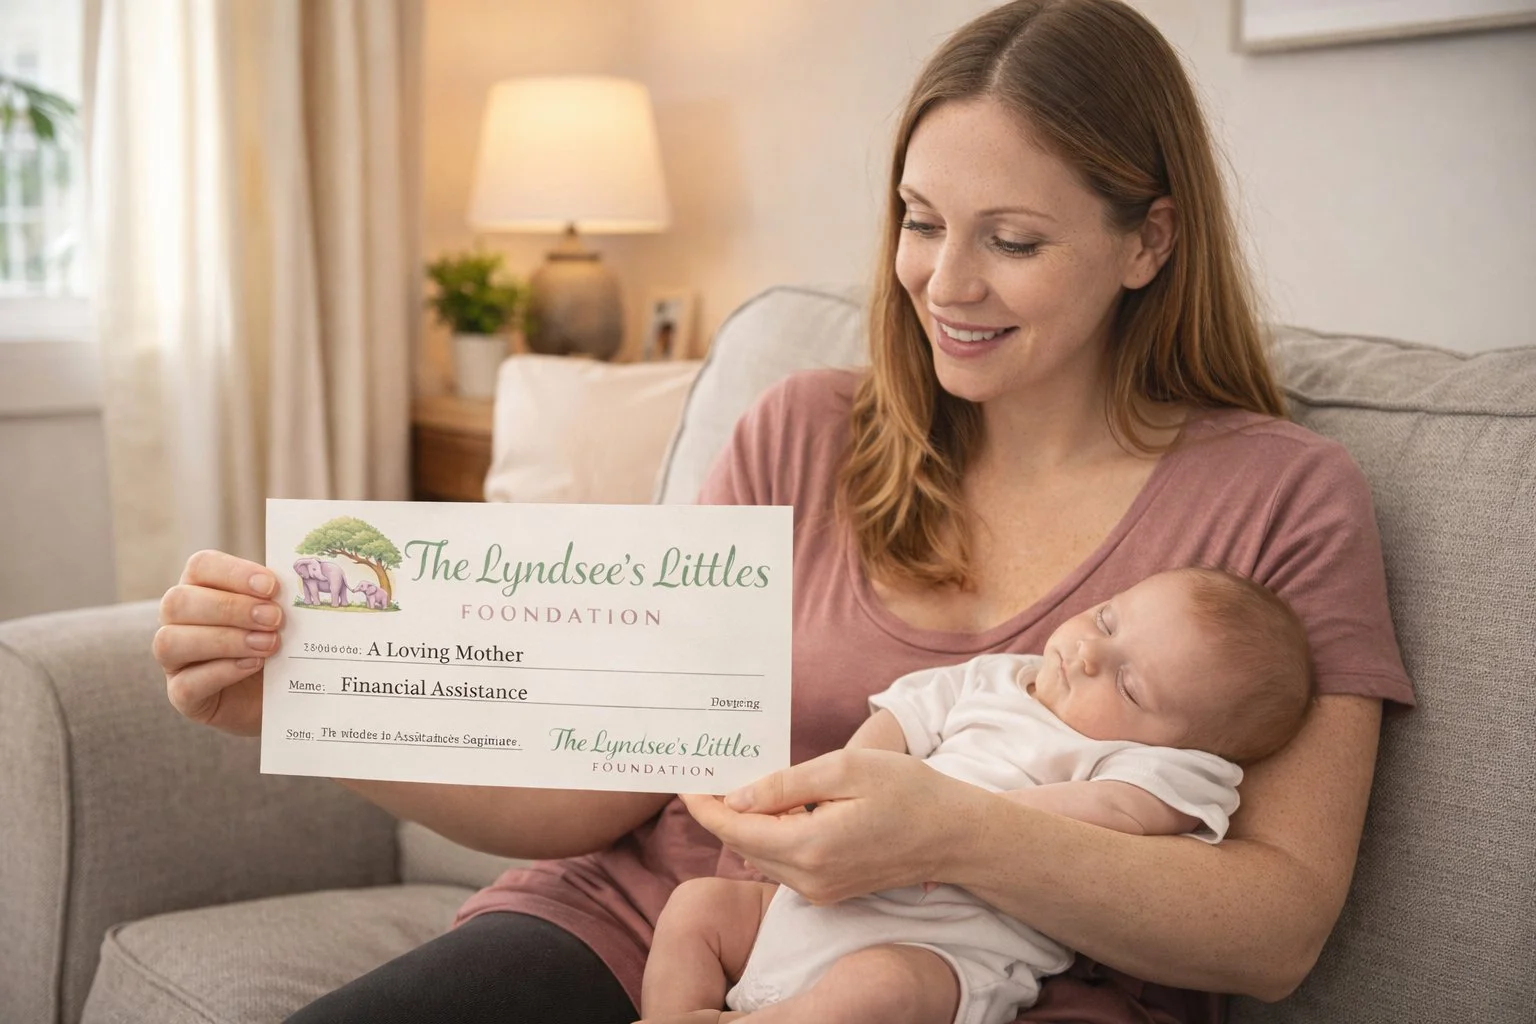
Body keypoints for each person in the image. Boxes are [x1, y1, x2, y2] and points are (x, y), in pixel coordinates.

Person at [152, 1, 1414, 1021]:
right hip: (659, 929)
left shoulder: (1283, 498)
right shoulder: (805, 429)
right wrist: (313, 707)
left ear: (1149, 241)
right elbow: (603, 791)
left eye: (1014, 240)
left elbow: (1275, 933)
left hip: (983, 982)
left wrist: (959, 835)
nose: (946, 282)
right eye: (920, 223)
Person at [637, 567, 1315, 1024]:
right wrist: (828, 793)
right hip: (811, 907)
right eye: (1107, 623)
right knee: (698, 908)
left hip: (942, 956)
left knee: (878, 988)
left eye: (1131, 687)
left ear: (1189, 743)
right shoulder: (995, 678)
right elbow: (898, 723)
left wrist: (949, 829)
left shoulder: (1152, 765)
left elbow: (1117, 815)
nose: (1086, 656)